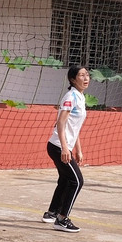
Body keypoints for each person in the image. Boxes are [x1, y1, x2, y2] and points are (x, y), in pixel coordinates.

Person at [42, 65, 89, 233]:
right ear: (72, 80)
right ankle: (62, 219)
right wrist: (64, 148)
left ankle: (52, 213)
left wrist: (78, 149)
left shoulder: (80, 97)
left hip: (63, 145)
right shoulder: (71, 96)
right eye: (81, 75)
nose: (86, 78)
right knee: (77, 181)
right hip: (57, 146)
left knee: (65, 179)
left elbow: (74, 127)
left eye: (87, 75)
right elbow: (61, 122)